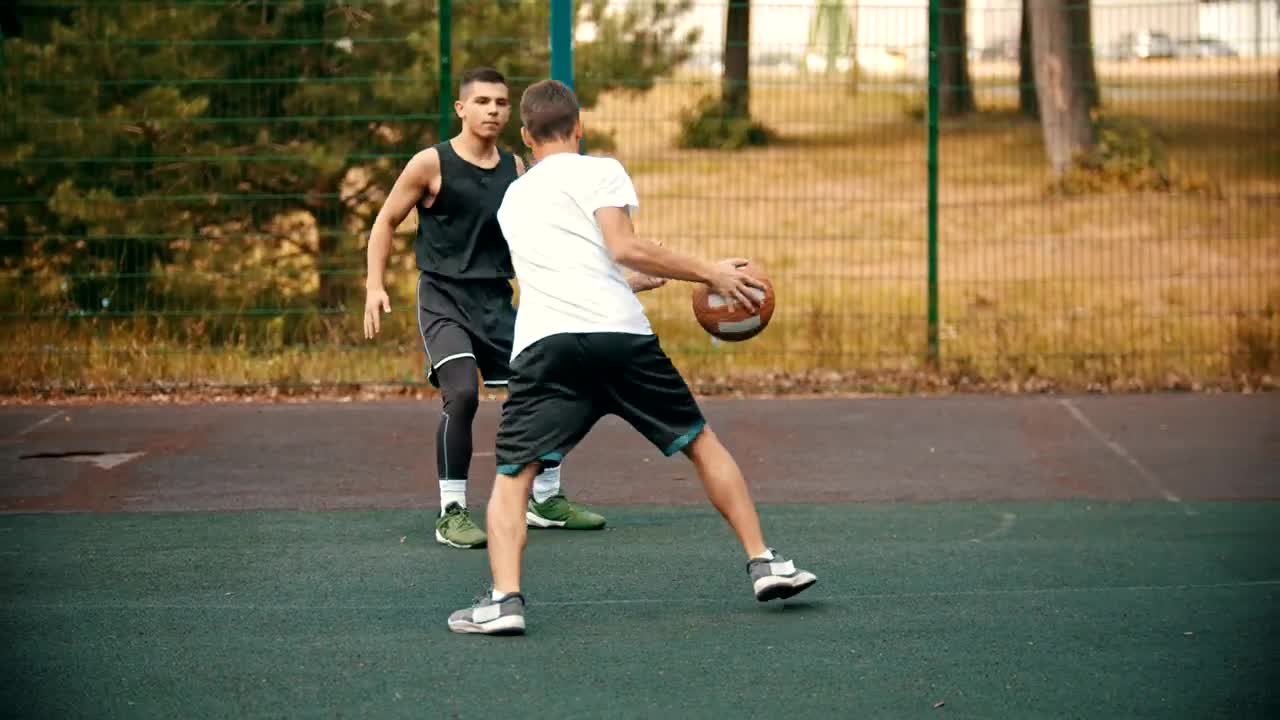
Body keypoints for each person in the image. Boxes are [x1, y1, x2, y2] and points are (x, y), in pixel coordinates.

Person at [447, 79, 817, 636]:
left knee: (513, 474)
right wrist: (711, 272)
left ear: (525, 135)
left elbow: (568, 266)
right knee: (698, 441)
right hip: (618, 337)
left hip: (547, 346)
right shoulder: (601, 169)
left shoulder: (513, 197)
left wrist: (633, 281)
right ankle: (764, 563)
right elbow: (621, 246)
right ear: (580, 126)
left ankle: (504, 600)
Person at [364, 68, 658, 548]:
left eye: (501, 103)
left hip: (497, 301)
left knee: (553, 389)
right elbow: (385, 221)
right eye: (481, 102)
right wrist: (374, 284)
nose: (492, 110)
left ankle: (545, 500)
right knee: (461, 394)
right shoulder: (429, 164)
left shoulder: (518, 171)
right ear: (461, 109)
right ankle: (452, 511)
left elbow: (555, 245)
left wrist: (627, 282)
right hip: (443, 297)